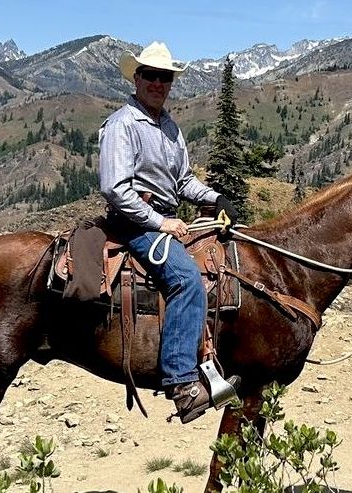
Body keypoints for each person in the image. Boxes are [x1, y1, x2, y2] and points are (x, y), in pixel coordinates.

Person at [98, 41, 240, 424]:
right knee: (186, 279)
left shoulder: (170, 127)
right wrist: (161, 223)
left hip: (163, 217)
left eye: (166, 77)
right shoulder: (123, 124)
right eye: (152, 76)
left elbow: (183, 181)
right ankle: (181, 383)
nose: (159, 83)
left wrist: (217, 197)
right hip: (134, 222)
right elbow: (114, 188)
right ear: (137, 78)